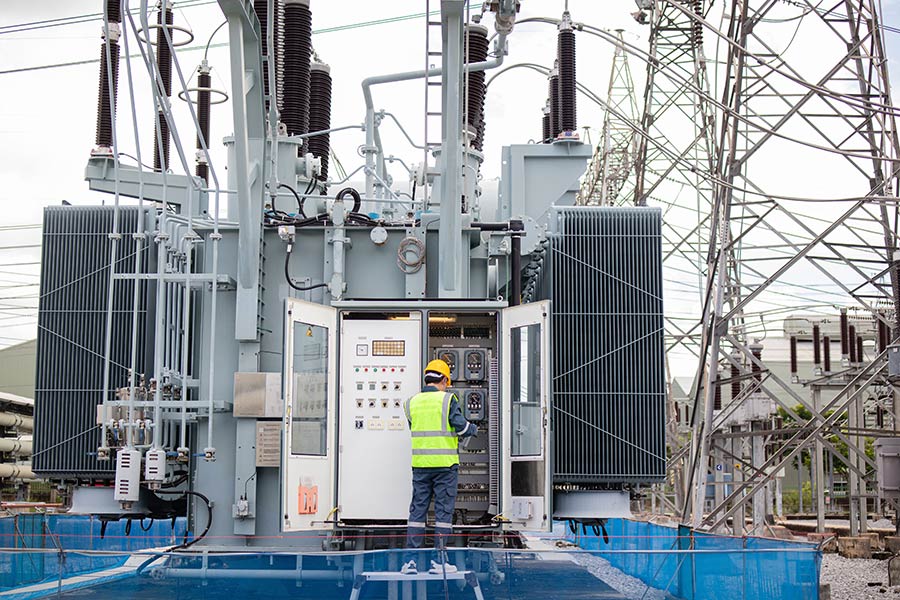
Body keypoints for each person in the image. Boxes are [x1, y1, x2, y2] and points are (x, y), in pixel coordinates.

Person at [400, 359, 477, 575]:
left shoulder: (411, 403)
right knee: (443, 514)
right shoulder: (447, 400)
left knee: (417, 513)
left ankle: (410, 562)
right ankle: (439, 561)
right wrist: (473, 428)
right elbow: (461, 428)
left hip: (421, 466)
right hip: (445, 467)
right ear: (444, 380)